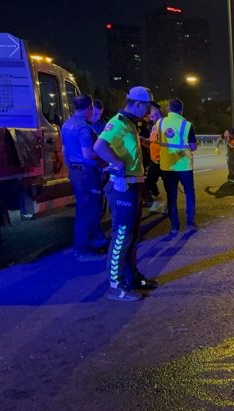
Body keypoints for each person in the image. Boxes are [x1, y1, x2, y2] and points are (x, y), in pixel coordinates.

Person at [93, 86, 159, 301]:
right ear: (137, 103)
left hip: (133, 187)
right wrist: (117, 162)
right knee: (121, 237)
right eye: (147, 106)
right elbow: (99, 146)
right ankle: (116, 286)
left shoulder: (130, 124)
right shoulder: (119, 122)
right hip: (123, 189)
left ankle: (133, 278)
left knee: (131, 236)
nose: (148, 111)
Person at [61, 94, 107, 261]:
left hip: (76, 172)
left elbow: (64, 150)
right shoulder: (83, 128)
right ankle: (83, 250)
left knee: (84, 208)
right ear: (89, 108)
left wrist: (70, 170)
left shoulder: (67, 125)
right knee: (89, 210)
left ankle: (98, 240)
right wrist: (105, 157)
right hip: (87, 173)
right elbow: (88, 153)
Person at [156, 98, 197, 234]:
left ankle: (174, 226)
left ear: (168, 109)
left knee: (171, 196)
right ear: (182, 110)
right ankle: (190, 223)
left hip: (167, 166)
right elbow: (193, 146)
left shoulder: (159, 123)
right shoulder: (187, 125)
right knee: (189, 193)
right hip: (184, 165)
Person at [145, 105, 166, 213]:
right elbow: (151, 141)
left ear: (158, 114)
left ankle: (170, 206)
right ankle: (159, 200)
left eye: (152, 115)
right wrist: (141, 139)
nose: (150, 117)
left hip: (163, 161)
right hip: (154, 161)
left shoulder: (164, 126)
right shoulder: (153, 127)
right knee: (149, 182)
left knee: (169, 185)